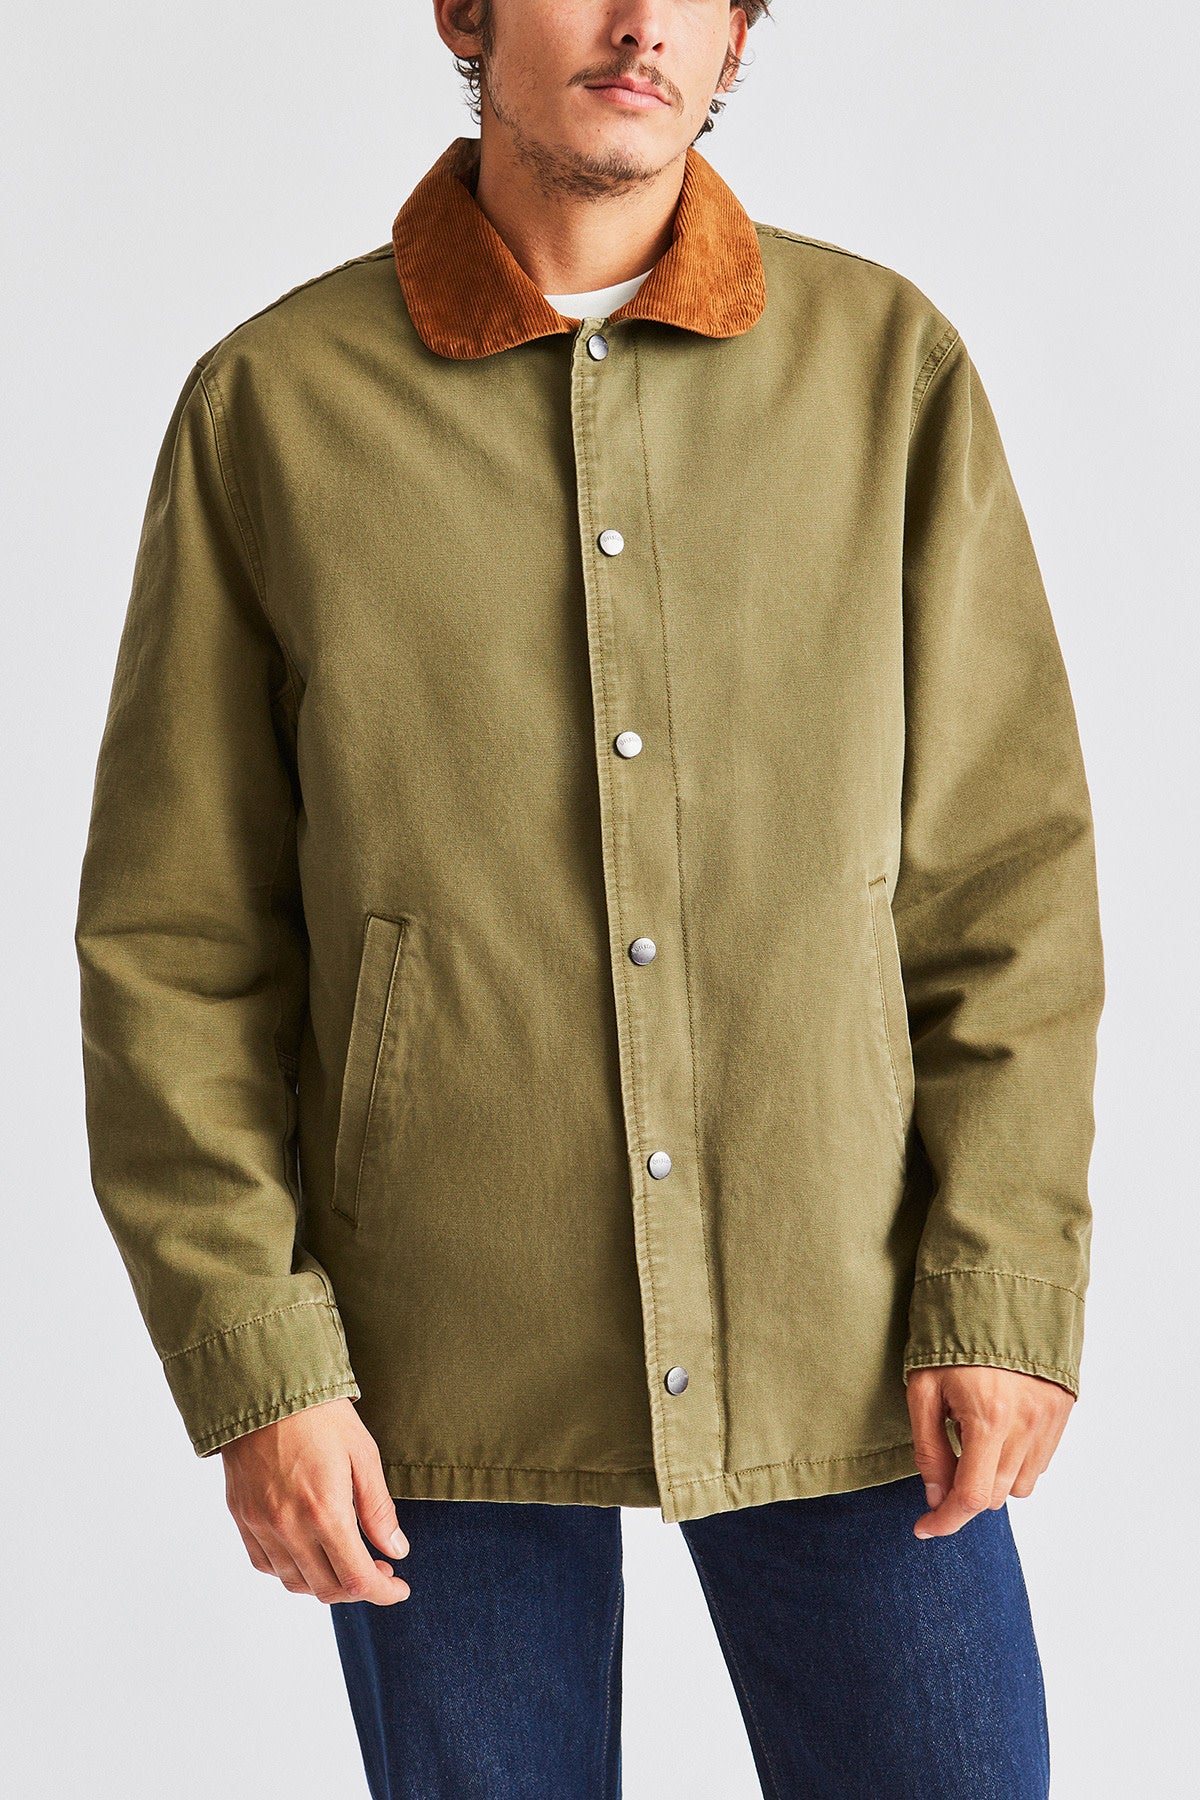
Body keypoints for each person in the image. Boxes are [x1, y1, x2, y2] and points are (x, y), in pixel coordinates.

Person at [74, 2, 1105, 1795]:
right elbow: (181, 941)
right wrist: (261, 1360)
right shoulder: (278, 408)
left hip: (846, 1328)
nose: (641, 26)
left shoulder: (886, 372)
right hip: (430, 1364)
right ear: (464, 11)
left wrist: (1001, 1282)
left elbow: (1003, 884)